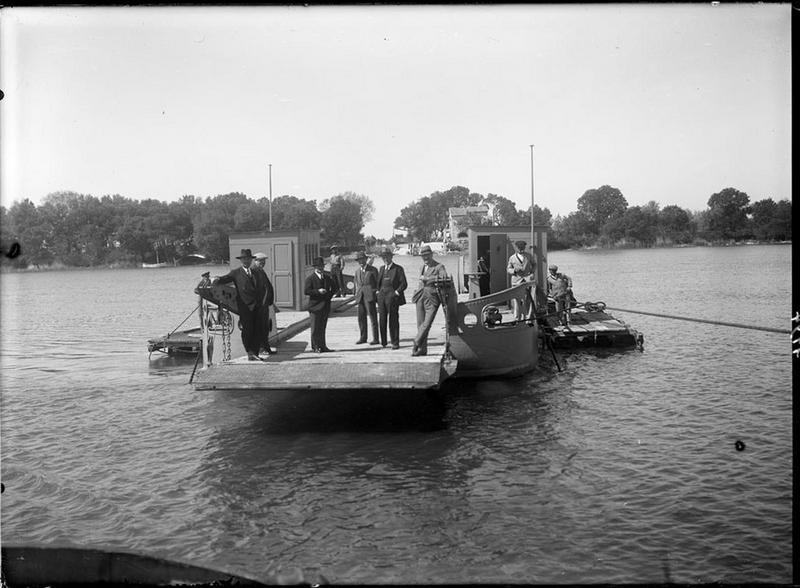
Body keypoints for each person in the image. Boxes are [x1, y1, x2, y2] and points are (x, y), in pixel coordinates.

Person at [213, 248, 267, 361]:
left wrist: (261, 302)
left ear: (251, 260)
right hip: (245, 307)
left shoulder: (257, 272)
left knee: (257, 329)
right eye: (244, 259)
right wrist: (216, 279)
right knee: (247, 329)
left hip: (257, 306)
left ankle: (255, 352)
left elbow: (262, 288)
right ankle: (249, 351)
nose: (246, 261)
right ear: (241, 261)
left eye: (248, 259)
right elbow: (225, 279)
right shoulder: (236, 273)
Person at [411, 244, 449, 357]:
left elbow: (445, 279)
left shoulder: (439, 266)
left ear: (431, 254)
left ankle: (416, 341)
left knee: (427, 323)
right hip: (420, 297)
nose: (425, 258)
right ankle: (422, 349)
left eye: (427, 255)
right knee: (420, 323)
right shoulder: (422, 267)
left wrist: (428, 279)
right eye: (423, 256)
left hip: (432, 298)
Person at [376, 246, 407, 349]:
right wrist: (378, 293)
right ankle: (384, 342)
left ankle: (395, 342)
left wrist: (396, 293)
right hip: (382, 297)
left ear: (391, 257)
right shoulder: (381, 269)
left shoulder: (398, 269)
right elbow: (378, 284)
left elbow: (404, 284)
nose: (385, 259)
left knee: (393, 320)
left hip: (392, 298)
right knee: (382, 319)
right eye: (383, 257)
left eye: (387, 256)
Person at [304, 256, 336, 353]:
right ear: (315, 267)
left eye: (322, 266)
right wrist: (318, 291)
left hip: (325, 306)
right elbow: (307, 291)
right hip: (314, 307)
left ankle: (323, 346)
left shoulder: (327, 277)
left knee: (322, 327)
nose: (321, 268)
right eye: (318, 266)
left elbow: (334, 288)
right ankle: (315, 346)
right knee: (315, 328)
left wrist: (328, 296)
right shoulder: (310, 278)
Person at [353, 250, 380, 345]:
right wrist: (355, 294)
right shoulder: (357, 272)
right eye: (359, 260)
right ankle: (363, 337)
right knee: (361, 318)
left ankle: (376, 338)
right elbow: (356, 284)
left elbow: (378, 284)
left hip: (370, 296)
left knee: (373, 317)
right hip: (360, 297)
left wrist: (375, 293)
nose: (360, 261)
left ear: (365, 259)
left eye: (362, 259)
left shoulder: (373, 270)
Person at [506, 240, 536, 321]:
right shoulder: (512, 258)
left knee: (527, 298)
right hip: (516, 281)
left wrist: (532, 273)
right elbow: (508, 269)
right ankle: (517, 317)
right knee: (516, 299)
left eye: (522, 248)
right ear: (516, 248)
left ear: (524, 248)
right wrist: (514, 271)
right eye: (519, 248)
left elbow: (534, 264)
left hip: (527, 280)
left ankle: (527, 316)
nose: (520, 249)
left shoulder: (529, 256)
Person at [252, 252, 276, 354]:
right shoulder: (253, 271)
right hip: (259, 305)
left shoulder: (261, 271)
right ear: (255, 261)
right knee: (259, 327)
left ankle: (266, 347)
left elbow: (267, 287)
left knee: (265, 327)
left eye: (264, 261)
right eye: (260, 261)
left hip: (265, 304)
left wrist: (269, 300)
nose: (263, 263)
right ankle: (261, 348)